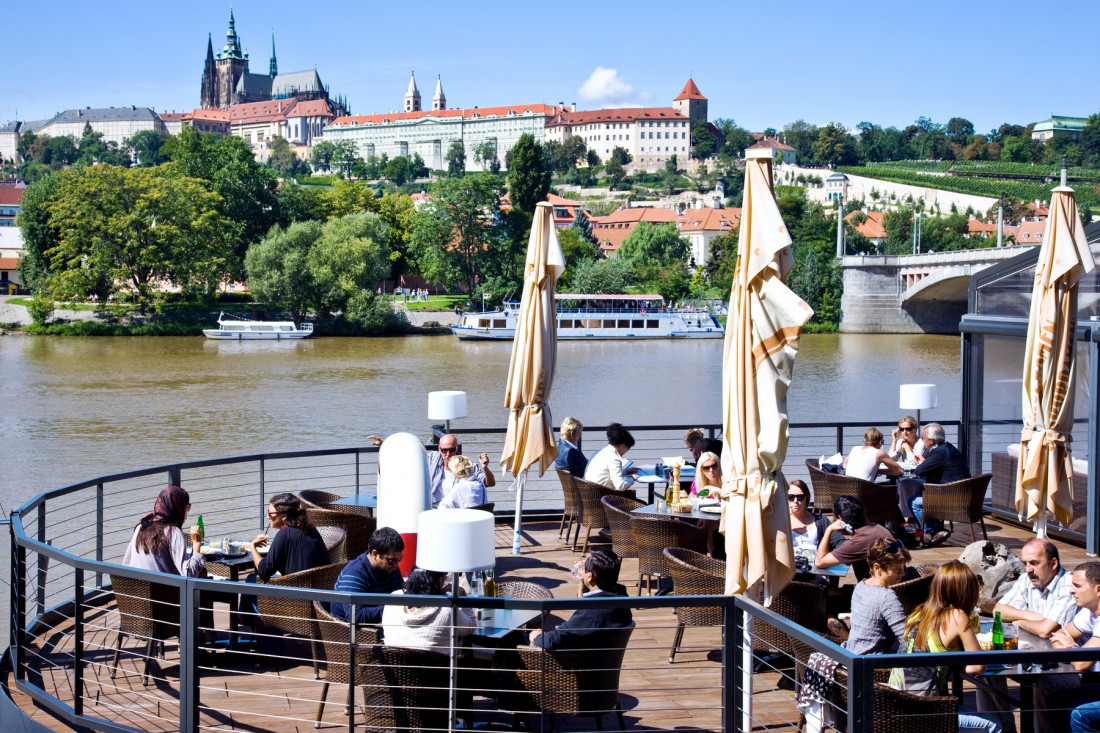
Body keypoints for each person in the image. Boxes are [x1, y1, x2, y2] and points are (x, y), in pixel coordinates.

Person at [889, 561, 1002, 733]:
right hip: (925, 712)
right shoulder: (957, 616)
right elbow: (978, 666)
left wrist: (948, 662)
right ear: (965, 591)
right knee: (993, 726)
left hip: (897, 704)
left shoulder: (919, 613)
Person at [530, 548, 632, 650]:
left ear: (590, 577)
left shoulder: (591, 614)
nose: (580, 565)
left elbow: (553, 640)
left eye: (583, 565)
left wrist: (537, 637)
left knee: (519, 637)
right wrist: (582, 585)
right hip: (601, 653)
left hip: (577, 660)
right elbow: (584, 609)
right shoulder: (621, 596)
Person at [900, 422, 971, 547]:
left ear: (931, 441)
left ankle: (935, 530)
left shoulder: (938, 453)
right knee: (916, 488)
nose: (923, 440)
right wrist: (926, 462)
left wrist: (924, 463)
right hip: (964, 495)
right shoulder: (949, 448)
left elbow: (919, 471)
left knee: (913, 501)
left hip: (951, 498)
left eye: (924, 438)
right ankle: (935, 527)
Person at [993, 537, 1077, 639]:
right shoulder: (1026, 580)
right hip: (1035, 647)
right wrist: (1031, 616)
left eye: (1034, 563)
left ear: (1053, 563)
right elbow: (998, 611)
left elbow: (1045, 631)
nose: (1028, 569)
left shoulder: (1070, 586)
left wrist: (1019, 622)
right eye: (1025, 563)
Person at [838, 538, 911, 655]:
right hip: (873, 664)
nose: (902, 574)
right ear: (877, 568)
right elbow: (906, 637)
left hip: (853, 653)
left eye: (903, 568)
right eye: (897, 570)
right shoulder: (886, 596)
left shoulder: (860, 586)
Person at [381, 568, 475, 653]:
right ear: (439, 580)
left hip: (393, 669)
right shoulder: (446, 610)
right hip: (435, 670)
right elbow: (471, 626)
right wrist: (462, 595)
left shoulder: (394, 599)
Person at [122, 485, 205, 577]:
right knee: (204, 575)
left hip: (134, 589)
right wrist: (197, 544)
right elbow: (189, 574)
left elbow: (126, 564)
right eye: (186, 508)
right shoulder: (173, 532)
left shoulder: (141, 526)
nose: (186, 515)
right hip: (162, 590)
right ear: (178, 509)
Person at [331, 527, 406, 625]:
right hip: (352, 633)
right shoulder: (354, 573)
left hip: (384, 624)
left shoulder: (391, 567)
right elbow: (355, 616)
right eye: (391, 561)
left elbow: (400, 593)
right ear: (375, 554)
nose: (396, 565)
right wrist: (394, 608)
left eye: (399, 560)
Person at [249, 493, 329, 581]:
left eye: (270, 513)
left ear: (283, 516)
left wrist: (252, 546)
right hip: (320, 588)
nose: (267, 516)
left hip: (295, 589)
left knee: (251, 579)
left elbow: (264, 572)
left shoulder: (284, 534)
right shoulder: (310, 529)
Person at [815, 495, 894, 581]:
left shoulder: (858, 542)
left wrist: (829, 529)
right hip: (897, 586)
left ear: (840, 518)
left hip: (878, 591)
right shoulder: (878, 527)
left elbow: (819, 562)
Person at [428, 433, 496, 508]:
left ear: (456, 448)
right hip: (434, 508)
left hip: (458, 511)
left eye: (451, 450)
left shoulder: (467, 465)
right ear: (439, 449)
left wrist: (485, 468)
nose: (448, 454)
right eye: (444, 450)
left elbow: (490, 483)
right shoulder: (432, 460)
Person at [788, 480, 839, 576]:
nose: (796, 501)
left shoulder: (821, 521)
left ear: (807, 498)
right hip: (788, 572)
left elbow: (840, 542)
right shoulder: (781, 522)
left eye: (800, 497)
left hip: (817, 571)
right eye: (791, 497)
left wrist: (827, 560)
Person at [584, 423, 640, 491]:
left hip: (589, 493)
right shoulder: (614, 458)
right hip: (601, 496)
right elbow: (620, 486)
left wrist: (625, 472)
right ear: (623, 446)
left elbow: (607, 472)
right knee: (640, 501)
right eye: (627, 449)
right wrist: (632, 479)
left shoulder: (601, 452)